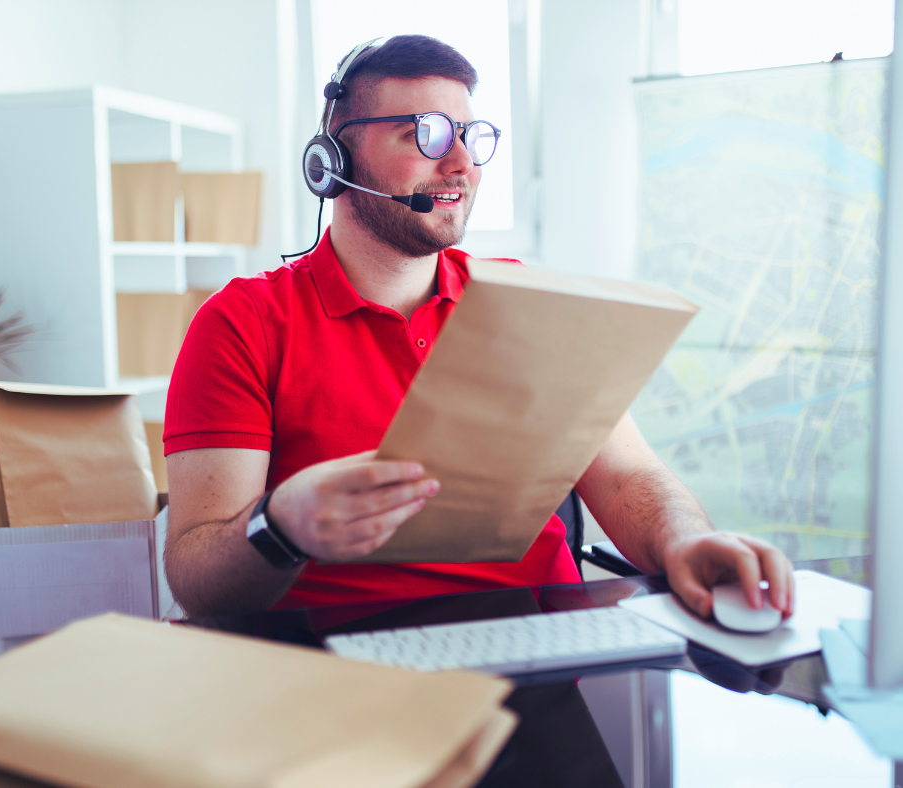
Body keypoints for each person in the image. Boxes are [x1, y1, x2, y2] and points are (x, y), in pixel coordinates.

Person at [163, 35, 794, 619]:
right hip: (341, 665)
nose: (461, 163)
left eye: (471, 135)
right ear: (333, 159)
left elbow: (629, 476)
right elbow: (196, 579)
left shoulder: (530, 302)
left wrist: (688, 541)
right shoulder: (242, 324)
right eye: (427, 135)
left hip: (541, 646)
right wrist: (280, 527)